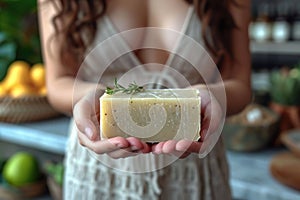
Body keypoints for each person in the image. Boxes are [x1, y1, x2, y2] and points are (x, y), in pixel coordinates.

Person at [38, 0, 252, 199]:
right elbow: (58, 81)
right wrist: (90, 97)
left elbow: (239, 83)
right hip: (99, 169)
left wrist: (210, 96)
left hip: (194, 168)